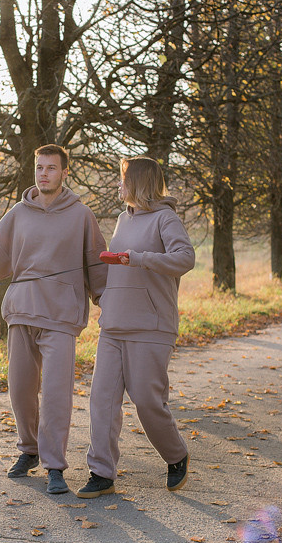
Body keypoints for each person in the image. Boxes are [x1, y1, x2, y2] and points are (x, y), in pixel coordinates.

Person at [0, 144, 108, 494]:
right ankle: (29, 450)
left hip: (60, 316)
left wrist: (104, 300)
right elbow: (0, 257)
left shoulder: (81, 215)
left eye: (51, 168)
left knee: (56, 393)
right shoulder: (18, 213)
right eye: (39, 167)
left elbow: (96, 263)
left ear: (64, 173)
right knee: (21, 388)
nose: (44, 174)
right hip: (22, 309)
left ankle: (55, 465)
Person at [76, 156, 195, 499]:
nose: (118, 185)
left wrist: (139, 258)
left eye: (123, 180)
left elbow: (185, 258)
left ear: (139, 184)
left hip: (151, 324)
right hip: (114, 324)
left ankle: (175, 455)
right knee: (102, 399)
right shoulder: (121, 220)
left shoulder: (165, 218)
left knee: (146, 400)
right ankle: (101, 472)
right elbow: (116, 266)